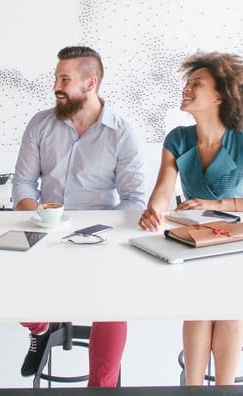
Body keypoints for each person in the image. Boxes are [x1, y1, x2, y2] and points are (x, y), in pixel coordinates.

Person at [137, 51, 243, 385]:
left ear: (220, 95)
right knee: (197, 312)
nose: (187, 89)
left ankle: (225, 389)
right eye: (188, 83)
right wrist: (155, 210)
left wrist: (220, 201)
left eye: (197, 84)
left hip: (235, 243)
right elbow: (164, 189)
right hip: (194, 240)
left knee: (229, 312)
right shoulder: (177, 139)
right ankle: (192, 388)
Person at [12, 46, 146, 387]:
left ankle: (100, 387)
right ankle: (41, 328)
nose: (56, 85)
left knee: (114, 307)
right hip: (45, 230)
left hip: (100, 238)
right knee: (7, 284)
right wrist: (38, 218)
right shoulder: (41, 123)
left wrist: (101, 235)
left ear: (90, 83)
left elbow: (133, 199)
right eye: (57, 77)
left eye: (64, 79)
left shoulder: (122, 132)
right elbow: (25, 183)